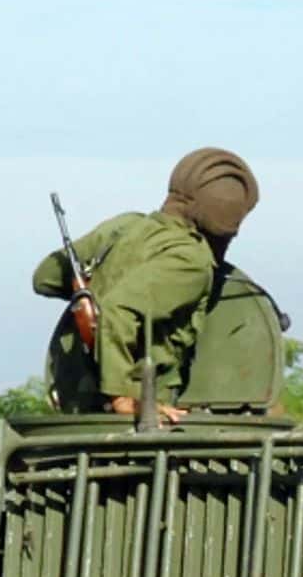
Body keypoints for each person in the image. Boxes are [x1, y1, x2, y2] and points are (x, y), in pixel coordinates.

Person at [33, 147, 260, 421]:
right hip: (143, 416)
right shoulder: (191, 261)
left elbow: (46, 277)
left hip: (78, 400)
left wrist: (96, 287)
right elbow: (118, 310)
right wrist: (124, 398)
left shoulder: (125, 226)